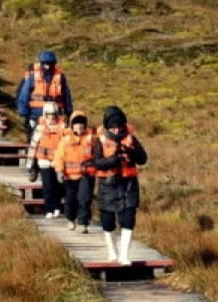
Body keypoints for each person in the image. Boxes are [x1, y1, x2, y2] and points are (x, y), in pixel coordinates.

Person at [91, 105, 148, 265]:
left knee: (128, 220)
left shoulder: (131, 139)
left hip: (128, 185)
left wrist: (131, 153)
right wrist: (113, 161)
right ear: (107, 127)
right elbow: (96, 163)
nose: (116, 130)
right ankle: (112, 252)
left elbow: (143, 158)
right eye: (112, 127)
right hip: (107, 186)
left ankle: (124, 256)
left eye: (118, 126)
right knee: (107, 222)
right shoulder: (100, 141)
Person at [53, 110, 96, 233]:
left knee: (85, 199)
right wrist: (59, 171)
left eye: (82, 123)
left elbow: (98, 155)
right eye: (77, 123)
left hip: (86, 175)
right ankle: (70, 219)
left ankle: (83, 223)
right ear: (72, 125)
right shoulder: (65, 140)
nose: (80, 126)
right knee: (71, 200)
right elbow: (59, 157)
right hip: (69, 176)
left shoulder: (92, 139)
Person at [16, 50, 73, 139]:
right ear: (41, 63)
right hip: (36, 115)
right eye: (46, 63)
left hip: (55, 115)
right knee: (35, 139)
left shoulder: (61, 78)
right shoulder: (33, 77)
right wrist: (24, 113)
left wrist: (68, 111)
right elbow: (24, 95)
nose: (48, 66)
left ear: (54, 63)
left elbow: (66, 95)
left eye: (50, 63)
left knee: (55, 139)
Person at [26, 101, 67, 219]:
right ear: (45, 114)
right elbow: (33, 145)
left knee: (58, 186)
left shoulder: (63, 127)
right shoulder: (40, 128)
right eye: (49, 114)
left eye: (54, 114)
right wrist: (30, 164)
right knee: (48, 186)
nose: (52, 117)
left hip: (58, 162)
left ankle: (57, 207)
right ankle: (49, 208)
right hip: (44, 161)